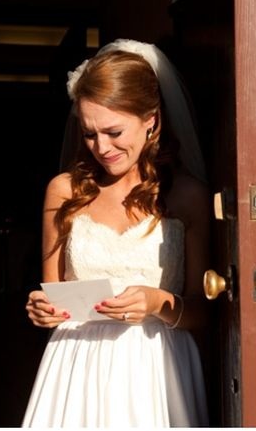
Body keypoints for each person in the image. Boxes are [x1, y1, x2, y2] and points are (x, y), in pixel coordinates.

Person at [23, 39, 209, 427]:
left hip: (155, 364)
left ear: (151, 120)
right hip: (76, 364)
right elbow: (53, 293)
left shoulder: (187, 196)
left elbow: (205, 312)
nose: (101, 147)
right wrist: (43, 309)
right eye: (89, 134)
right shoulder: (64, 191)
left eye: (113, 131)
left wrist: (158, 302)